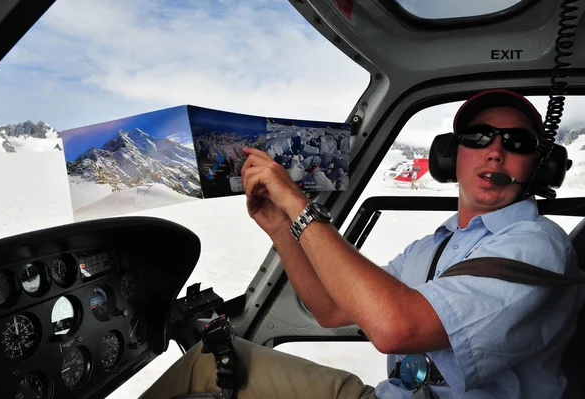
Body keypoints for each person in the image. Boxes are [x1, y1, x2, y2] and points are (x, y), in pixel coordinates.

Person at [139, 90, 585, 399]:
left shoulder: (538, 247)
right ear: (452, 155)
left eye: (518, 142)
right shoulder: (433, 247)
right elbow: (332, 309)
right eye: (478, 137)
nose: (494, 150)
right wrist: (281, 229)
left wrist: (298, 204)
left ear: (539, 168)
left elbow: (395, 328)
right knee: (209, 363)